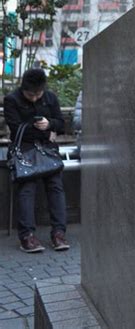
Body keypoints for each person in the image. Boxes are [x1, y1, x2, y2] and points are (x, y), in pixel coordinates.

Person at [4, 68, 70, 253]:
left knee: (56, 187)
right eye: (30, 94)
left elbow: (61, 124)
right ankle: (27, 236)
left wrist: (51, 124)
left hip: (47, 152)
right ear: (23, 89)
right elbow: (17, 130)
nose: (34, 98)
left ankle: (59, 233)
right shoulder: (12, 100)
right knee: (27, 188)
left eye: (38, 94)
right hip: (25, 152)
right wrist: (48, 132)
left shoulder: (50, 97)